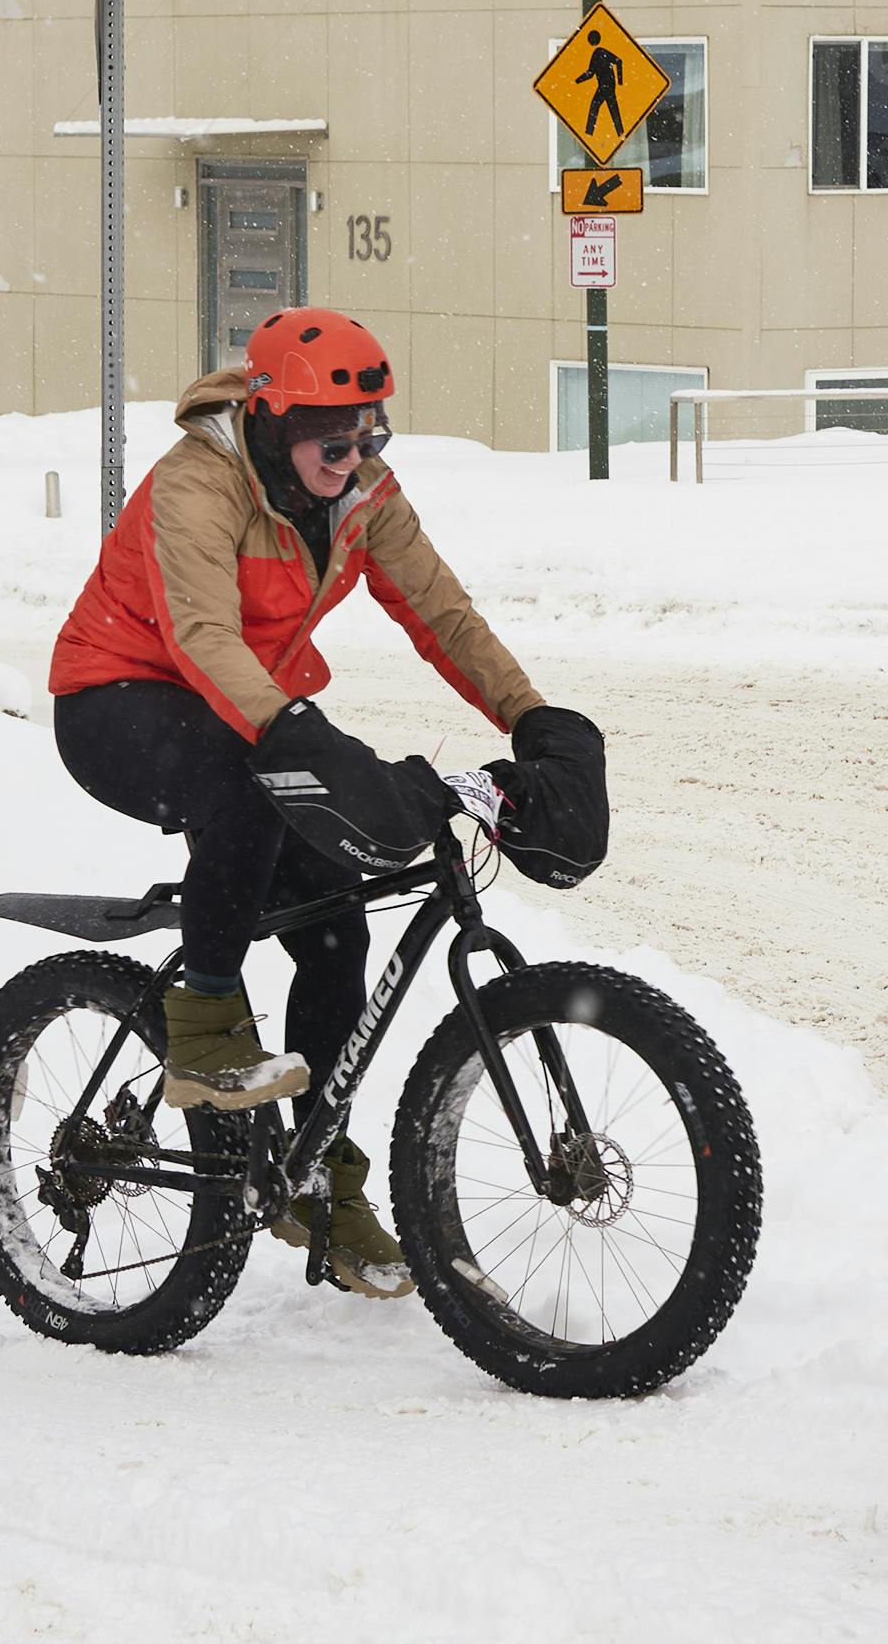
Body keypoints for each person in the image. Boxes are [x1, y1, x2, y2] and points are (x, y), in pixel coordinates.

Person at [48, 309, 606, 1299]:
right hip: (118, 699)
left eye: (370, 436)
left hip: (245, 707)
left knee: (337, 919)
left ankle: (315, 1175)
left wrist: (533, 718)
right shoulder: (197, 482)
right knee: (250, 789)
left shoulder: (363, 495)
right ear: (269, 419)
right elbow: (200, 634)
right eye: (331, 440)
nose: (352, 459)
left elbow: (441, 612)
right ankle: (206, 1020)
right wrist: (294, 735)